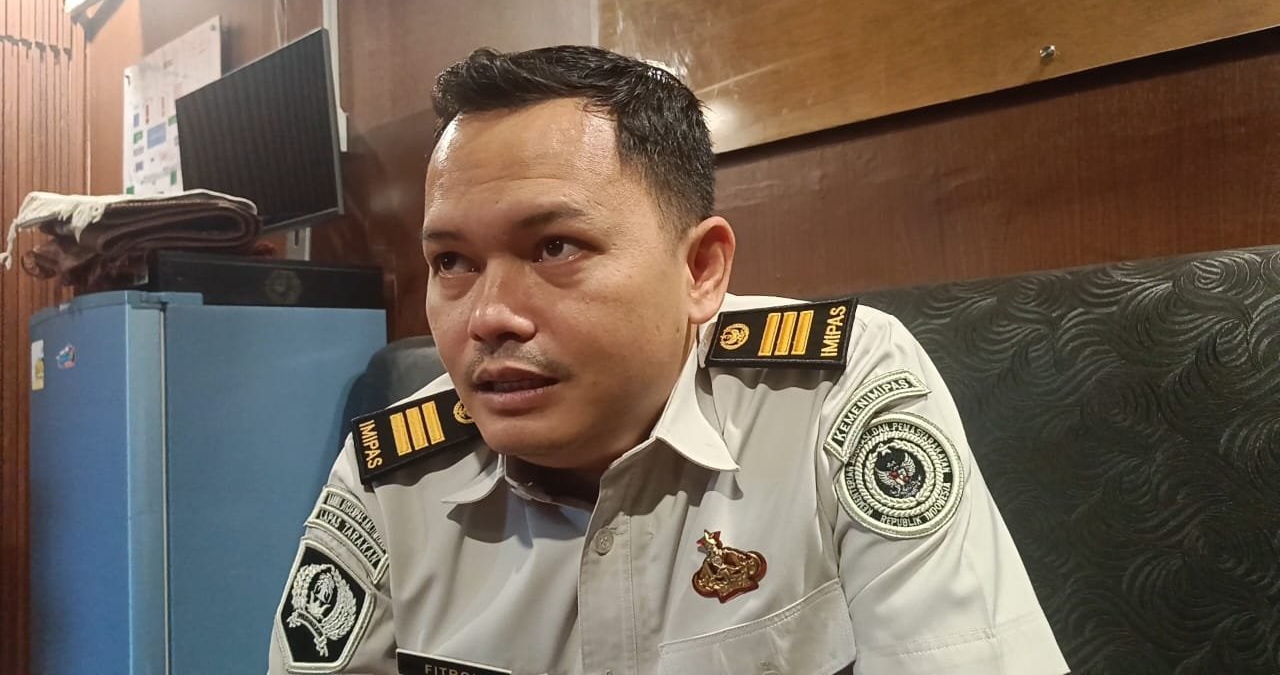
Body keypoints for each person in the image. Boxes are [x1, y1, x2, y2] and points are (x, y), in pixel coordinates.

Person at [268, 45, 1069, 675]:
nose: (488, 318)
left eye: (554, 248)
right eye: (452, 262)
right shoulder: (390, 477)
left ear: (700, 271)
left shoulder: (832, 392)